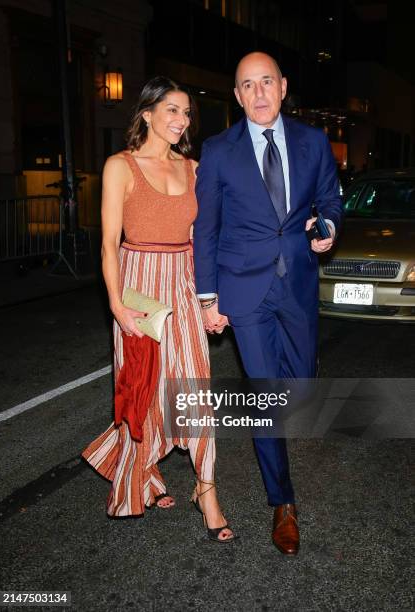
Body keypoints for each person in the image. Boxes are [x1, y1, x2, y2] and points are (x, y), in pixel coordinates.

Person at [194, 52, 343, 554]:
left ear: (282, 86)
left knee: (297, 383)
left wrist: (326, 229)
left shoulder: (313, 141)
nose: (258, 93)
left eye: (266, 82)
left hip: (297, 283)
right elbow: (206, 229)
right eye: (246, 85)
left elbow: (329, 201)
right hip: (244, 290)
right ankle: (283, 502)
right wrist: (208, 298)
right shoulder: (217, 151)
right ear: (236, 96)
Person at [82, 76, 234, 542]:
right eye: (172, 109)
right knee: (144, 388)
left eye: (187, 112)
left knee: (195, 389)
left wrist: (212, 300)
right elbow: (109, 244)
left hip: (184, 283)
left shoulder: (193, 168)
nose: (181, 120)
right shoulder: (119, 166)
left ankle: (206, 490)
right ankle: (143, 473)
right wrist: (115, 304)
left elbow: (201, 239)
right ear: (147, 113)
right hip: (140, 287)